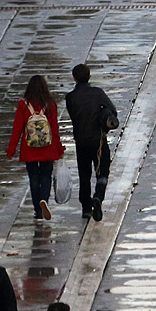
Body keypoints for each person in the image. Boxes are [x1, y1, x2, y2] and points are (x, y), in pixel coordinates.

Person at [6, 75, 66, 220]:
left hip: (30, 147)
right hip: (48, 146)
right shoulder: (50, 103)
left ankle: (37, 210)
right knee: (46, 175)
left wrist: (11, 148)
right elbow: (54, 129)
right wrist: (59, 149)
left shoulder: (23, 104)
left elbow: (17, 128)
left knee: (33, 177)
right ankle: (44, 199)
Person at [65, 64, 118, 222]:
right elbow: (112, 112)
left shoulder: (71, 97)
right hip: (98, 140)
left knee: (84, 174)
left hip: (81, 141)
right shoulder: (97, 93)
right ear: (89, 76)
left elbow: (74, 117)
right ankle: (98, 196)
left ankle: (86, 207)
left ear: (74, 78)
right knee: (103, 171)